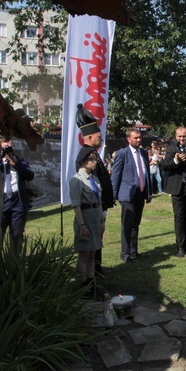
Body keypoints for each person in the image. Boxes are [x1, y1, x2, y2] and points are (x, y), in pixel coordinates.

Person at [75, 104, 113, 276]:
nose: (101, 139)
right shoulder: (87, 156)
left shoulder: (93, 154)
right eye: (99, 136)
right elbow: (94, 188)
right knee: (90, 250)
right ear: (89, 137)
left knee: (95, 246)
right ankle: (92, 276)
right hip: (91, 210)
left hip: (97, 208)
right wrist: (102, 213)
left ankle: (95, 273)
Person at [110, 128, 152, 263]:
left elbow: (146, 173)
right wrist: (113, 195)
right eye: (135, 138)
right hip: (127, 194)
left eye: (140, 137)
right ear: (128, 139)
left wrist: (148, 192)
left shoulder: (144, 153)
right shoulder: (122, 154)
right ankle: (125, 253)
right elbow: (115, 175)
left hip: (140, 193)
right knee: (127, 224)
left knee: (136, 223)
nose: (138, 140)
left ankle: (134, 251)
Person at [162, 127, 186, 258]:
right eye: (179, 136)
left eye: (184, 136)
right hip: (177, 187)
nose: (181, 139)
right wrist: (176, 161)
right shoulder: (172, 148)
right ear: (175, 136)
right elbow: (165, 166)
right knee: (179, 217)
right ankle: (180, 246)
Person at [70, 147, 102, 290]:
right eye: (92, 159)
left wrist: (102, 220)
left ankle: (91, 281)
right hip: (85, 216)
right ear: (83, 161)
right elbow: (76, 204)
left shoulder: (94, 179)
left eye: (95, 159)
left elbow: (99, 201)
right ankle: (82, 283)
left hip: (95, 216)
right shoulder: (77, 180)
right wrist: (81, 225)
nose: (95, 162)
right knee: (84, 252)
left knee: (93, 251)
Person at [0, 136, 34, 246]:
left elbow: (30, 175)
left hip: (18, 201)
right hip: (3, 200)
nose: (8, 144)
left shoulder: (19, 160)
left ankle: (15, 260)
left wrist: (16, 164)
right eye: (5, 142)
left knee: (17, 235)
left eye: (9, 142)